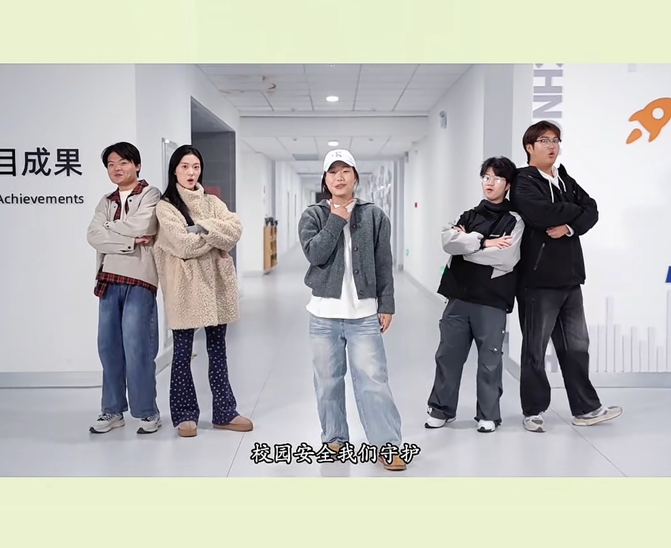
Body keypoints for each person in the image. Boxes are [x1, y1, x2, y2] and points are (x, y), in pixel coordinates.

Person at [510, 120, 622, 433]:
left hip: (570, 278)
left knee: (577, 346)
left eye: (556, 140)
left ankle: (585, 409)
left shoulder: (564, 178)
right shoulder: (523, 180)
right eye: (545, 140)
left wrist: (570, 227)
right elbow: (539, 214)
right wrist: (574, 210)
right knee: (535, 349)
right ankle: (533, 410)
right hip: (538, 281)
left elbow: (592, 209)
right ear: (530, 147)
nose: (552, 146)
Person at [298, 149, 406, 472]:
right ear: (325, 180)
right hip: (323, 316)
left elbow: (384, 263)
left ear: (356, 177)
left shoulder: (374, 216)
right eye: (333, 172)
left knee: (374, 381)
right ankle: (334, 439)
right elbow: (315, 254)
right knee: (327, 382)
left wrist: (387, 304)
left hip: (364, 316)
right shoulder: (313, 215)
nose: (339, 177)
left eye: (345, 171)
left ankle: (387, 445)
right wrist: (336, 219)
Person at [153, 145, 252, 438]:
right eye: (185, 166)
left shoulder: (212, 202)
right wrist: (215, 235)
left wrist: (200, 227)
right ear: (174, 170)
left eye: (196, 167)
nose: (191, 172)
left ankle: (225, 412)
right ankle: (185, 414)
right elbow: (183, 245)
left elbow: (235, 230)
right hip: (185, 288)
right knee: (183, 352)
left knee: (218, 351)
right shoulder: (166, 207)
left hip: (216, 285)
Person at [425, 156, 523, 433]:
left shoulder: (514, 220)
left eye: (497, 179)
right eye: (486, 177)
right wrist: (485, 243)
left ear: (507, 185)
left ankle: (488, 414)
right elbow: (449, 243)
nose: (490, 183)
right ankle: (441, 409)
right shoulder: (467, 216)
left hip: (492, 300)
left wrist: (468, 245)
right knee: (448, 356)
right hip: (458, 297)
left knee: (490, 360)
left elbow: (505, 258)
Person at [86, 141, 162, 435]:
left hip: (140, 279)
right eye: (111, 164)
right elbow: (93, 235)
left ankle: (147, 412)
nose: (116, 168)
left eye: (123, 162)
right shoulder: (106, 200)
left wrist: (111, 230)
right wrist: (129, 241)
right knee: (108, 348)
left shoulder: (150, 194)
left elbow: (143, 226)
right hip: (108, 278)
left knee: (137, 346)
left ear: (137, 165)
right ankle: (112, 410)